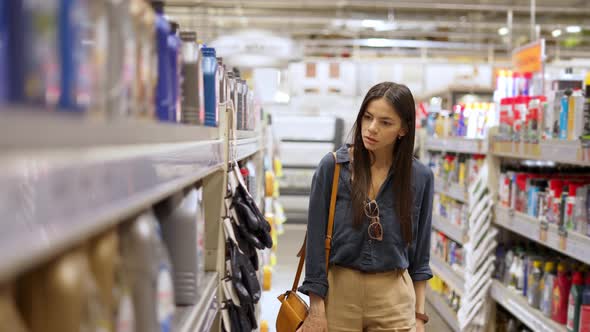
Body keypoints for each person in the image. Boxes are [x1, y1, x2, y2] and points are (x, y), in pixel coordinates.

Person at [297, 82, 433, 332]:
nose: (371, 128)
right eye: (367, 117)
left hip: (394, 299)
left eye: (385, 122)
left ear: (403, 129)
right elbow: (315, 242)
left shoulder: (420, 177)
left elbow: (420, 254)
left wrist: (418, 316)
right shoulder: (333, 168)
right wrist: (316, 308)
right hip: (339, 295)